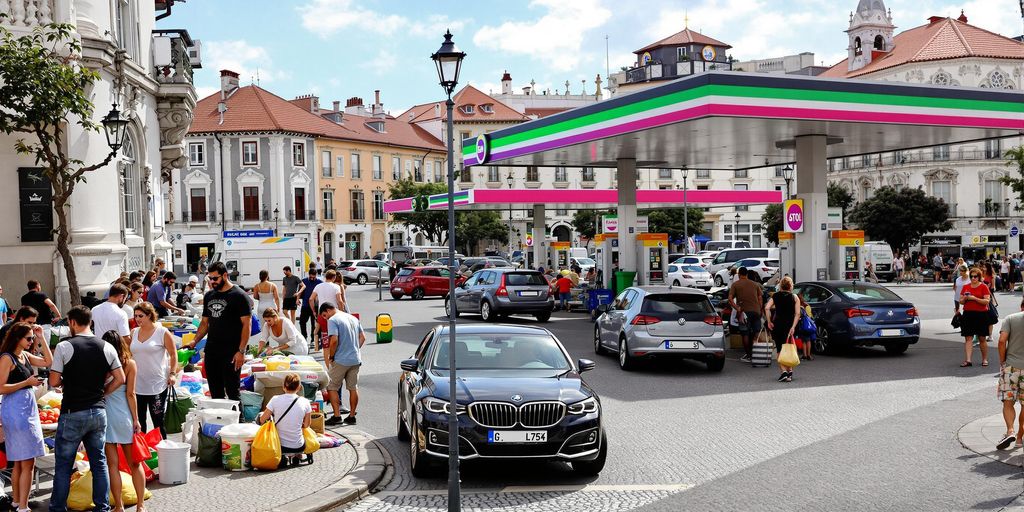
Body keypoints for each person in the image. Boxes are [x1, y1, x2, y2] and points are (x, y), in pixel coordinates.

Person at [48, 305, 125, 512]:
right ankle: (102, 507)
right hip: (98, 411)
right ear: (90, 322)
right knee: (99, 463)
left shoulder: (65, 347)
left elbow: (54, 381)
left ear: (72, 323)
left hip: (73, 411)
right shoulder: (106, 347)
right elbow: (120, 378)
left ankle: (57, 508)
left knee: (64, 466)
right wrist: (104, 392)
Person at [0, 322, 51, 512]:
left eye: (31, 338)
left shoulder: (24, 356)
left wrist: (41, 337)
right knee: (28, 461)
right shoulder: (7, 358)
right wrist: (26, 382)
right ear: (17, 338)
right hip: (16, 411)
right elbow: (0, 387)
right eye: (28, 338)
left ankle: (17, 502)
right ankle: (23, 506)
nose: (31, 342)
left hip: (24, 410)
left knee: (21, 461)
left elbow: (48, 361)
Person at [185, 262, 250, 401]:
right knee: (215, 393)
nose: (212, 282)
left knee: (233, 393)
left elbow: (246, 325)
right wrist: (194, 341)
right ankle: (219, 422)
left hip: (232, 352)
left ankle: (238, 422)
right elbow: (204, 323)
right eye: (210, 278)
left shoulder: (239, 296)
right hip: (212, 351)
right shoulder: (209, 296)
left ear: (225, 275)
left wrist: (241, 351)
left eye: (215, 278)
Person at [100, 330, 146, 512]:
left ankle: (118, 506)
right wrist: (136, 419)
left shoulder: (100, 364)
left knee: (112, 465)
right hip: (123, 416)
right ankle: (141, 505)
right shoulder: (129, 364)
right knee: (135, 463)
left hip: (105, 415)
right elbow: (131, 393)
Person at [130, 302, 176, 438]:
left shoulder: (162, 332)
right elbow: (128, 354)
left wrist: (172, 374)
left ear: (150, 315)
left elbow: (173, 354)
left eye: (140, 316)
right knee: (139, 422)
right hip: (137, 384)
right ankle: (143, 454)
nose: (137, 319)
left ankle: (163, 449)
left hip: (157, 384)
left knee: (158, 421)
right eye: (135, 316)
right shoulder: (134, 332)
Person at [320, 303, 364, 426]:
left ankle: (337, 415)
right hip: (355, 359)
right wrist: (355, 349)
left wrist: (332, 356)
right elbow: (362, 337)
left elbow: (333, 340)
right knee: (353, 387)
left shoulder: (333, 320)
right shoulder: (352, 318)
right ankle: (351, 416)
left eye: (325, 315)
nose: (326, 318)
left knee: (331, 387)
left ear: (328, 310)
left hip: (340, 359)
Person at [257, 373, 312, 465]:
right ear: (298, 388)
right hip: (299, 446)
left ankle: (283, 456)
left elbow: (262, 420)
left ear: (283, 386)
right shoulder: (305, 402)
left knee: (260, 415)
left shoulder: (275, 399)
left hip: (280, 446)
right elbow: (307, 425)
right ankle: (297, 455)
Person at [997, 298, 1024, 450]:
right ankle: (1020, 437)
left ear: (1022, 306)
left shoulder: (1011, 318)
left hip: (1011, 367)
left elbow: (1002, 341)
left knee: (1008, 402)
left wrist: (1003, 361)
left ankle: (1010, 431)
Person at [765, 276, 800, 383]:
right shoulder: (794, 297)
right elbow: (797, 314)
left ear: (781, 285)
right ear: (791, 286)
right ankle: (789, 372)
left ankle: (783, 371)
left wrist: (769, 321)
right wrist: (793, 327)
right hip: (789, 326)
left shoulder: (775, 296)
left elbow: (767, 308)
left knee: (780, 349)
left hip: (778, 325)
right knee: (789, 347)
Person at [729, 267, 764, 363]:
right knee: (756, 332)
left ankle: (749, 355)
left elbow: (730, 299)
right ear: (747, 274)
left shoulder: (735, 284)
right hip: (756, 311)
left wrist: (737, 308)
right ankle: (756, 354)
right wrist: (760, 309)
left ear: (739, 274)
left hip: (744, 312)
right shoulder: (755, 284)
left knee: (745, 333)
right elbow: (760, 297)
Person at [960, 267, 992, 367]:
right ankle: (968, 360)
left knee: (982, 338)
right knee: (968, 338)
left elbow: (987, 301)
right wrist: (965, 298)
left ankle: (985, 359)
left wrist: (974, 298)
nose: (973, 278)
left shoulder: (983, 287)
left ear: (979, 277)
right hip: (968, 314)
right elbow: (960, 301)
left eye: (975, 276)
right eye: (972, 276)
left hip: (981, 314)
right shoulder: (966, 287)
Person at [298, 269, 322, 341]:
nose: (312, 278)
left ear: (316, 275)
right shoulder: (304, 281)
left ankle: (313, 339)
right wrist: (297, 299)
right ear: (308, 275)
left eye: (313, 277)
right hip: (305, 305)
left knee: (314, 323)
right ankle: (304, 337)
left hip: (316, 306)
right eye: (311, 277)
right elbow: (300, 291)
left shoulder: (319, 282)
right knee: (302, 322)